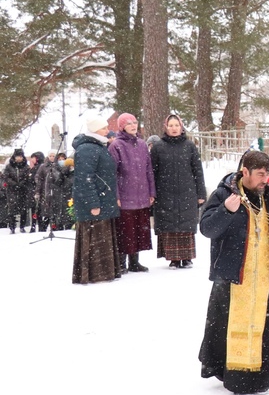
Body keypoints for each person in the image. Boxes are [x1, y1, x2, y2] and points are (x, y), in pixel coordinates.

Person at [198, 150, 269, 395]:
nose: (265, 180)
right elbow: (207, 228)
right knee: (226, 325)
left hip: (260, 277)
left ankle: (258, 378)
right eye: (260, 174)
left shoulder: (268, 196)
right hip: (232, 275)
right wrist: (226, 211)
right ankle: (231, 375)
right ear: (245, 172)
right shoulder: (224, 194)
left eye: (268, 174)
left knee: (260, 327)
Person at [71, 118, 124, 283]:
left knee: (102, 238)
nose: (107, 130)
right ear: (94, 130)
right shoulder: (88, 149)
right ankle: (95, 273)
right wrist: (93, 203)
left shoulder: (98, 146)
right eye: (104, 127)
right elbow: (85, 179)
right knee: (95, 239)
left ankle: (103, 272)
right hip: (97, 201)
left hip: (104, 198)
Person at [151, 114, 207, 269]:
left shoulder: (189, 146)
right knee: (170, 225)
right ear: (166, 127)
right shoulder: (158, 147)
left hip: (187, 192)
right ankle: (173, 258)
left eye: (176, 125)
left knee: (186, 225)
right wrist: (152, 192)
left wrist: (201, 193)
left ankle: (187, 257)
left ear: (181, 127)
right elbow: (152, 172)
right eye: (171, 126)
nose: (174, 128)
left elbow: (198, 171)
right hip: (165, 192)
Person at [109, 113, 156, 272]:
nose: (133, 125)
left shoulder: (142, 144)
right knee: (125, 230)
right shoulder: (116, 145)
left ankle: (134, 262)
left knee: (138, 229)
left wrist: (151, 191)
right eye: (128, 123)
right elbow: (112, 173)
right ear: (122, 126)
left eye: (134, 122)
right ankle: (121, 263)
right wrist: (116, 196)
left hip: (141, 194)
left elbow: (149, 170)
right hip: (125, 195)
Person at [2, 148, 34, 233]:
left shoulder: (26, 166)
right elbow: (6, 177)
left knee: (23, 209)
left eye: (20, 156)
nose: (19, 158)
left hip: (23, 190)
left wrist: (22, 183)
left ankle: (22, 226)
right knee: (12, 209)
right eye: (17, 156)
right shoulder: (9, 166)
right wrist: (13, 183)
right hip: (12, 190)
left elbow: (28, 177)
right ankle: (12, 227)